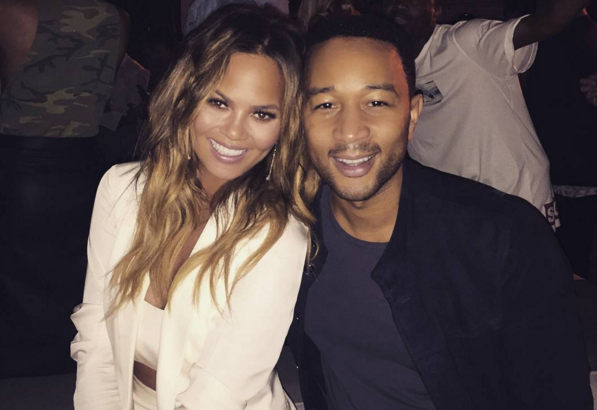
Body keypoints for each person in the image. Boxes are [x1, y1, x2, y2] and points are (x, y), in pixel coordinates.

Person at [290, 14, 593, 410]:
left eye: (376, 102)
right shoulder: (288, 234)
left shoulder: (504, 239)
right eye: (326, 104)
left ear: (412, 115)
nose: (350, 131)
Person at [71, 5, 313, 410]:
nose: (234, 131)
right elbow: (96, 335)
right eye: (219, 102)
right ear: (186, 96)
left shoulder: (278, 236)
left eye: (261, 113)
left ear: (284, 126)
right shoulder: (120, 190)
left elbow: (219, 394)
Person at [382, 0, 591, 229]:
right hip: (454, 205)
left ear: (436, 11)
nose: (398, 5)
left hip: (514, 195)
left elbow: (546, 22)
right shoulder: (384, 67)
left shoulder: (466, 42)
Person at [0, 0, 127, 377]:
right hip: (84, 167)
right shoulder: (118, 18)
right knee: (71, 283)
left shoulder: (12, 11)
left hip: (22, 165)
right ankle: (62, 373)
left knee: (16, 287)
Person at [524, 4, 597, 282]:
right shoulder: (532, 30)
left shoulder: (586, 32)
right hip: (543, 168)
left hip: (580, 170)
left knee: (572, 265)